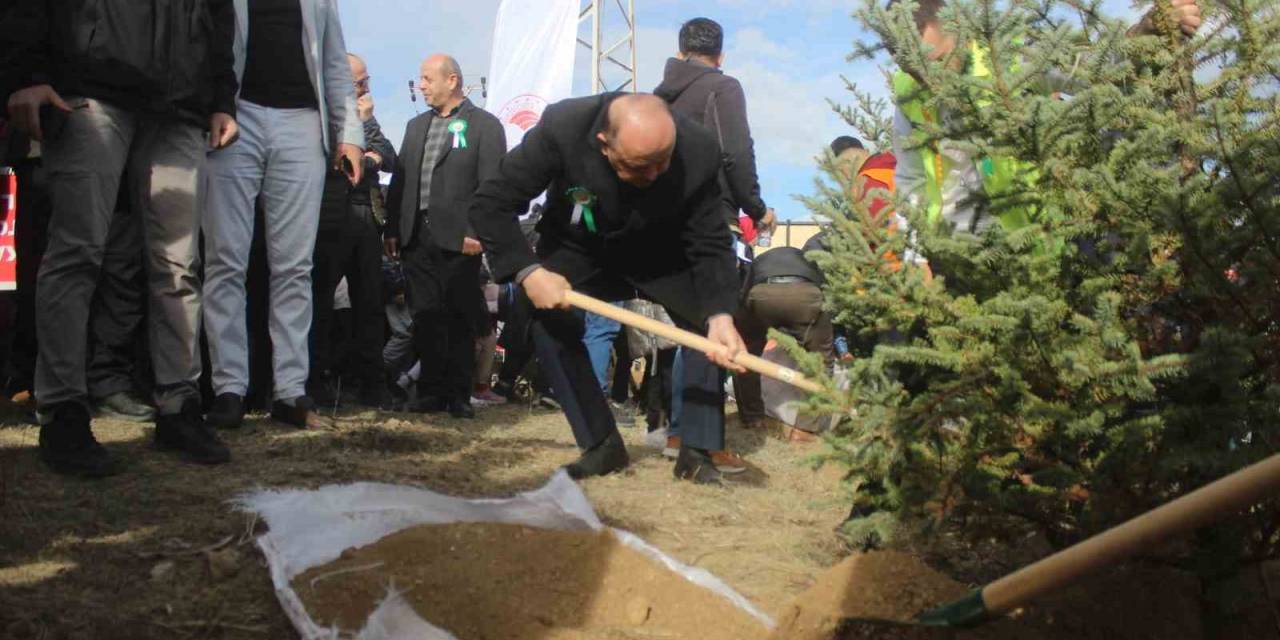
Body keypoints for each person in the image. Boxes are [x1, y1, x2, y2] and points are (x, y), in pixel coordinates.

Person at [0, 0, 238, 476]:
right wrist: (23, 73)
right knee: (77, 250)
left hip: (180, 105)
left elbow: (219, 16)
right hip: (90, 87)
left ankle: (179, 405)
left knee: (178, 265)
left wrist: (221, 99)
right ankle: (64, 409)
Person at [470, 92, 748, 484]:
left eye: (661, 163)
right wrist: (528, 271)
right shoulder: (564, 127)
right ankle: (601, 443)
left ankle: (696, 449)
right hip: (582, 244)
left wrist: (720, 314)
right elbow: (491, 202)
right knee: (542, 317)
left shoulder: (699, 147)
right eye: (638, 166)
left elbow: (710, 240)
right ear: (604, 143)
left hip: (662, 251)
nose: (652, 176)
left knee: (709, 328)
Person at [203, 0, 365, 431]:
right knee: (225, 258)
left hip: (302, 122)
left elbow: (334, 63)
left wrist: (349, 134)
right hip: (235, 112)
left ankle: (290, 389)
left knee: (295, 265)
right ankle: (228, 387)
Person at [385, 54, 506, 420]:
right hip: (415, 235)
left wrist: (477, 232)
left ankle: (458, 393)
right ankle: (431, 391)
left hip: (460, 239)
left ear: (451, 80)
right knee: (425, 315)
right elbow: (400, 182)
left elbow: (492, 185)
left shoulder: (484, 125)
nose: (420, 85)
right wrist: (392, 228)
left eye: (426, 79)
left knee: (457, 315)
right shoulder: (414, 126)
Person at [310, 53, 397, 410]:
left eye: (367, 81)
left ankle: (372, 385)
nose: (366, 89)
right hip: (328, 215)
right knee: (319, 304)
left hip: (366, 217)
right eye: (360, 83)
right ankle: (315, 381)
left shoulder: (365, 115)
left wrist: (368, 140)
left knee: (370, 307)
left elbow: (388, 155)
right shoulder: (319, 111)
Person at [655, 17, 776, 238]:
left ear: (680, 53)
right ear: (720, 58)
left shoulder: (656, 101)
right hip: (711, 223)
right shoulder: (723, 88)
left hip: (661, 223)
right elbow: (736, 153)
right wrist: (757, 209)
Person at [732, 245, 834, 442]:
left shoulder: (762, 259)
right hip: (804, 295)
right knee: (821, 362)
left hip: (761, 294)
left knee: (745, 355)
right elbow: (826, 292)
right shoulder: (809, 259)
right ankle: (804, 429)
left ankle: (751, 418)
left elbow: (743, 292)